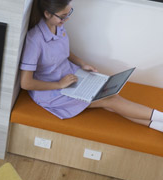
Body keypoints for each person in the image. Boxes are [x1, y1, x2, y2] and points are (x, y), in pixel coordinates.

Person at [20, 0, 163, 132]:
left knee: (110, 98)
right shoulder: (35, 40)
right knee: (110, 100)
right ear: (47, 13)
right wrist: (59, 84)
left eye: (69, 13)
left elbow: (63, 51)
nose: (66, 19)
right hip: (53, 92)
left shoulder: (58, 26)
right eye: (63, 16)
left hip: (71, 76)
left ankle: (158, 125)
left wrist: (83, 64)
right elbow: (26, 83)